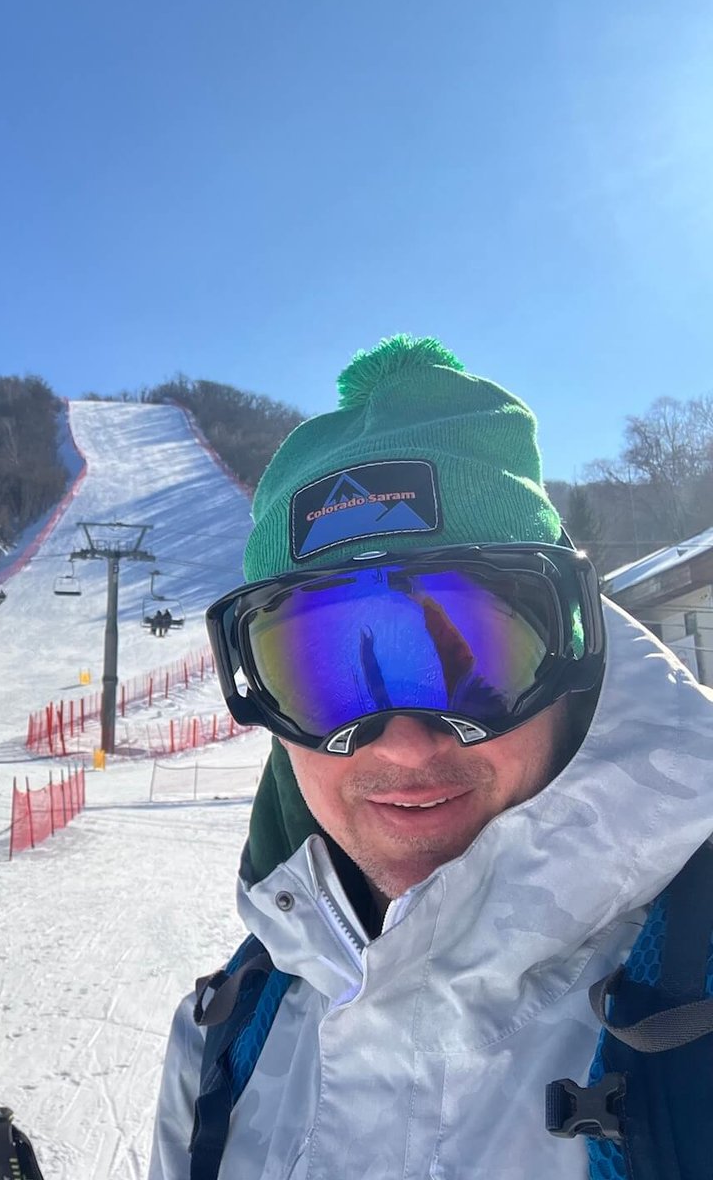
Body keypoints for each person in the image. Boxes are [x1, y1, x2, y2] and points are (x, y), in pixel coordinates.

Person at [148, 336, 713, 1179]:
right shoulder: (221, 1041)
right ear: (269, 709)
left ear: (575, 652)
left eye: (474, 662)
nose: (407, 743)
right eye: (333, 674)